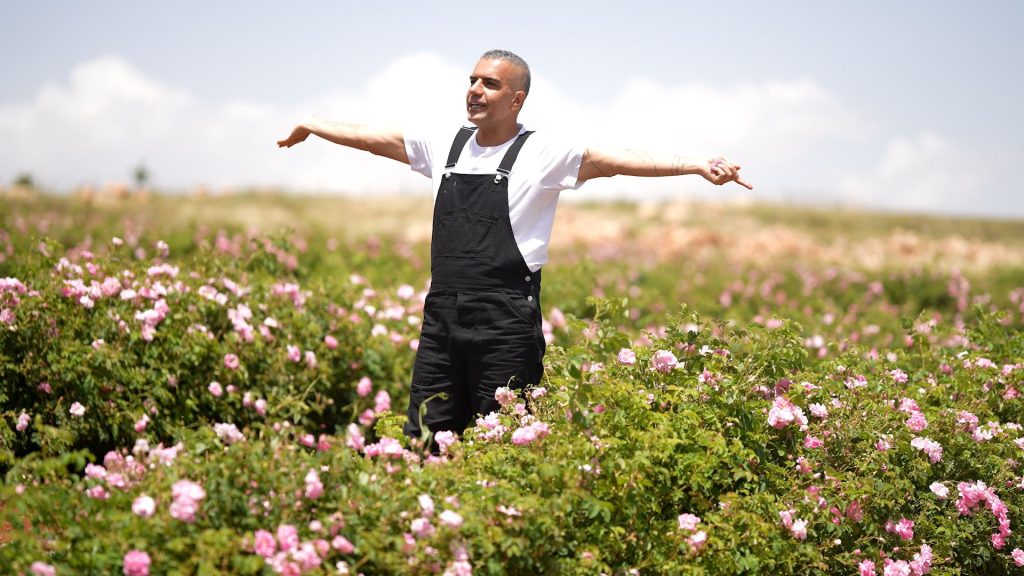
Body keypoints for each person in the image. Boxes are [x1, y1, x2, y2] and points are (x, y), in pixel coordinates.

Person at [277, 49, 752, 445]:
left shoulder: (544, 152)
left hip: (505, 322)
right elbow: (375, 139)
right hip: (441, 318)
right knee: (425, 437)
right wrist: (314, 124)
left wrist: (694, 164)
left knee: (502, 440)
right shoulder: (447, 144)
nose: (475, 90)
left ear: (516, 99)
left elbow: (616, 160)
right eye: (472, 80)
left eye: (490, 83)